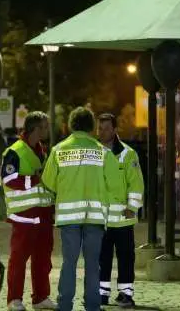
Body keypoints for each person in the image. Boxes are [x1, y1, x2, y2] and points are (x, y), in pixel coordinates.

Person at [41, 107, 122, 311]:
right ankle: (93, 305)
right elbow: (116, 185)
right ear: (92, 127)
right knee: (93, 264)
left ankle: (65, 305)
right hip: (95, 218)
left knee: (69, 263)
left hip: (69, 219)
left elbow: (49, 182)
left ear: (71, 125)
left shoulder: (58, 150)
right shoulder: (103, 152)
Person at [1, 112, 56, 311]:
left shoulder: (42, 150)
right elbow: (8, 179)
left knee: (43, 259)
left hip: (42, 215)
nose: (47, 130)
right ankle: (14, 300)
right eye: (45, 126)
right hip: (23, 215)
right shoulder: (14, 151)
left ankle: (40, 298)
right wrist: (34, 179)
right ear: (36, 129)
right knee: (19, 260)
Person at [96, 113, 144, 307]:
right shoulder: (94, 152)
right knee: (102, 258)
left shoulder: (127, 153)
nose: (102, 132)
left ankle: (126, 294)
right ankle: (102, 293)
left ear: (115, 130)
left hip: (123, 217)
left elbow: (136, 183)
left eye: (107, 128)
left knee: (125, 258)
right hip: (101, 218)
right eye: (100, 128)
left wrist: (132, 207)